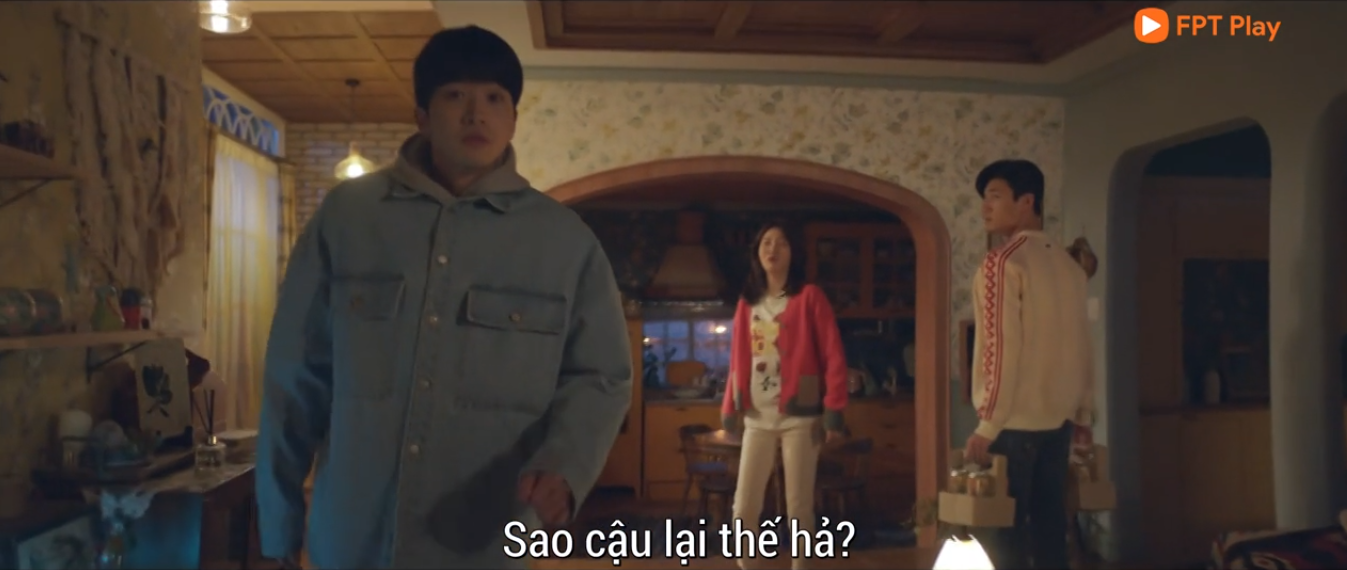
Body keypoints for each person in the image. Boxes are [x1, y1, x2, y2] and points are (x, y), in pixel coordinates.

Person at [254, 26, 633, 569]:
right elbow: (294, 378)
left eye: (494, 98)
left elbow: (601, 377)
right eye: (456, 95)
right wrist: (278, 530)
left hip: (486, 542)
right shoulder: (347, 219)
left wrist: (566, 465)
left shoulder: (566, 242)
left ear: (513, 120)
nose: (476, 114)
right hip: (353, 542)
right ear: (423, 116)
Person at [964, 159, 1095, 569]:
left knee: (1004, 533)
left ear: (1026, 201)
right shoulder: (1071, 268)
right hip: (1059, 421)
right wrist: (1084, 412)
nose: (986, 207)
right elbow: (1083, 345)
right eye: (984, 198)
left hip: (1014, 422)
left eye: (995, 196)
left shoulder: (1003, 263)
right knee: (1050, 527)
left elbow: (1001, 347)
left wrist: (988, 423)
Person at [720, 221, 849, 570]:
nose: (772, 249)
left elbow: (834, 356)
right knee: (744, 505)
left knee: (798, 505)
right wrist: (729, 407)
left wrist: (834, 410)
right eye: (766, 243)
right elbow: (736, 360)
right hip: (756, 417)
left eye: (781, 243)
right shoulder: (747, 303)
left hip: (800, 416)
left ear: (793, 253)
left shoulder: (810, 297)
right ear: (757, 253)